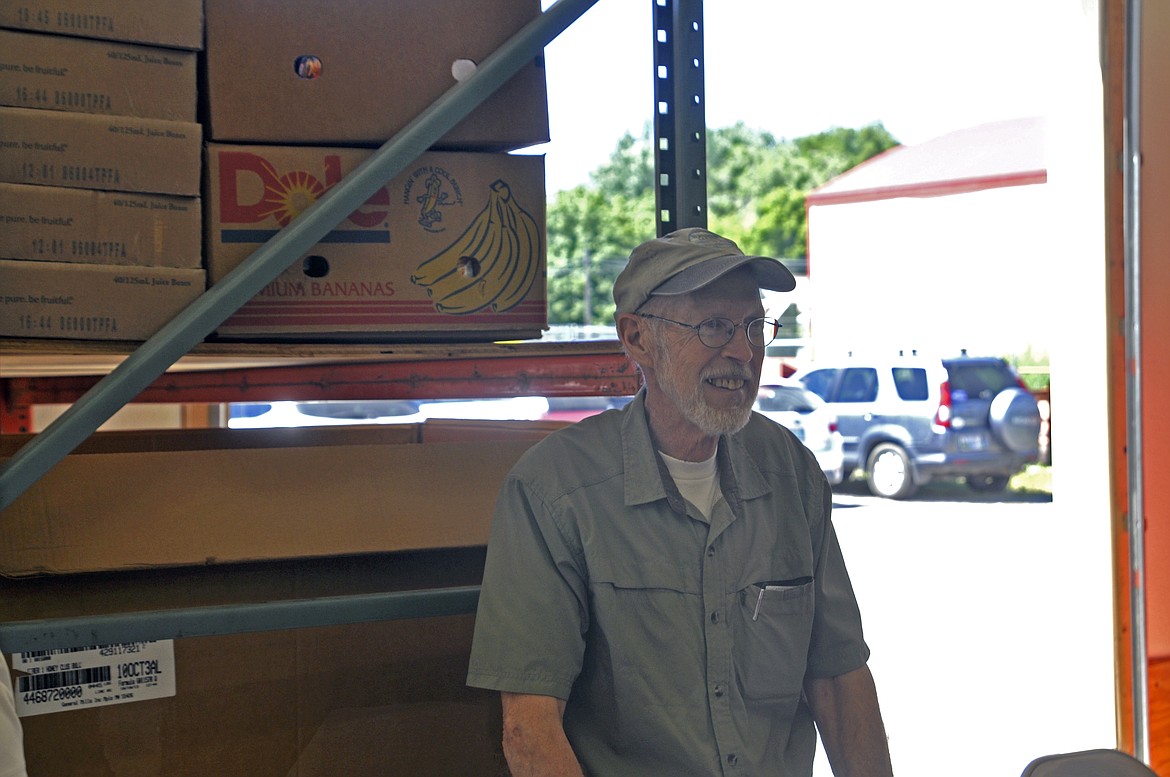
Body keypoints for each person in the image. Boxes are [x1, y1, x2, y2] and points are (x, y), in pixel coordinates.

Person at [467, 227, 894, 776]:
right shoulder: (555, 492)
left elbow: (838, 679)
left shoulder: (791, 473)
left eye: (753, 326)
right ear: (638, 338)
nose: (742, 352)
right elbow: (530, 731)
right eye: (714, 326)